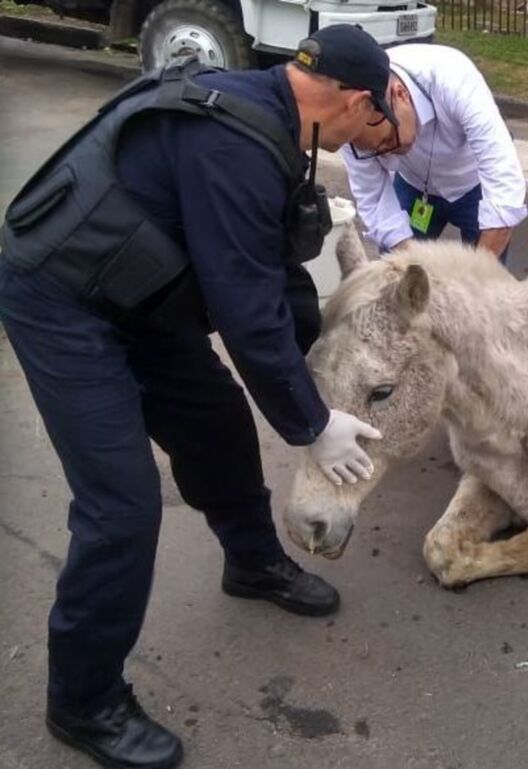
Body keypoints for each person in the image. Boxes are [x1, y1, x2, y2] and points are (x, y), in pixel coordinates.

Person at [0, 24, 395, 769]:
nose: (364, 136)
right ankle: (82, 701)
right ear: (357, 99)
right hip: (62, 301)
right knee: (121, 505)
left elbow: (272, 268)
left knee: (214, 422)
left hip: (138, 296)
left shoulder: (274, 120)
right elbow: (244, 309)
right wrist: (311, 425)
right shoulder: (235, 145)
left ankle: (250, 561)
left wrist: (312, 367)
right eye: (371, 120)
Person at [341, 44, 528, 264]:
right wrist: (412, 268)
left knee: (487, 288)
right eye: (375, 152)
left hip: (474, 186)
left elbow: (504, 189)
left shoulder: (454, 79)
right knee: (396, 281)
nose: (386, 157)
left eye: (388, 140)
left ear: (400, 95)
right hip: (413, 185)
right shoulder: (347, 124)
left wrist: (475, 280)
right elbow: (374, 198)